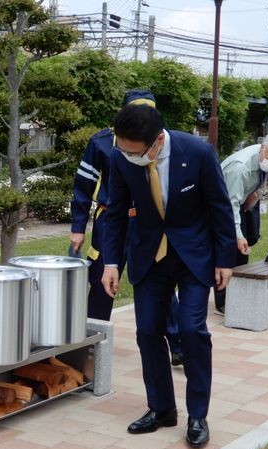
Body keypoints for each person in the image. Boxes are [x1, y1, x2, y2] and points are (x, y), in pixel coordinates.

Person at [101, 104, 237, 448]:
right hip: (148, 255)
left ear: (158, 142)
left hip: (192, 255)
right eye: (123, 149)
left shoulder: (199, 153)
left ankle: (197, 414)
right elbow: (114, 214)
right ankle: (161, 409)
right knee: (147, 332)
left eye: (136, 152)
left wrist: (225, 260)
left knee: (192, 330)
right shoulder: (121, 158)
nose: (128, 157)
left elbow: (221, 208)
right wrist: (112, 263)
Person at [69, 89, 184, 366]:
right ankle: (92, 343)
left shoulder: (163, 142)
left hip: (151, 224)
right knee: (101, 281)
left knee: (161, 282)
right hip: (112, 221)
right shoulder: (102, 143)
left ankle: (178, 343)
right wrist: (78, 226)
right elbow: (84, 185)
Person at [213, 131, 268, 315]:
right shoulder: (240, 168)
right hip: (219, 208)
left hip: (240, 203)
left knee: (242, 254)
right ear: (263, 147)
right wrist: (238, 235)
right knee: (227, 252)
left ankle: (236, 296)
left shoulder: (265, 159)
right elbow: (230, 205)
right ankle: (222, 303)